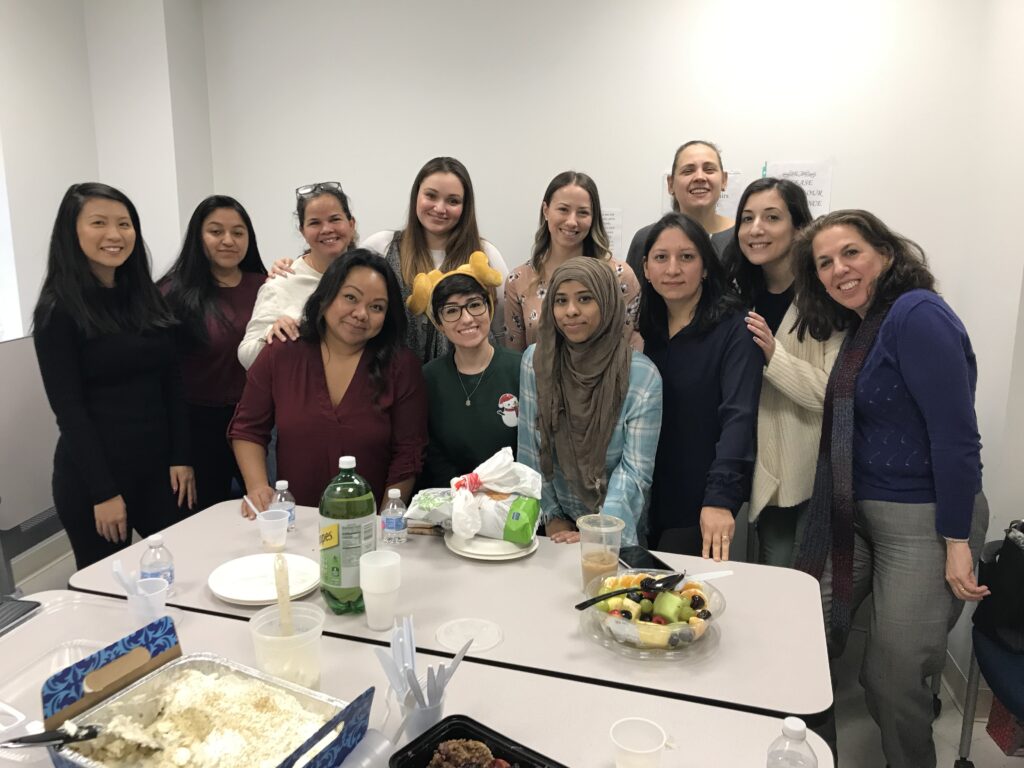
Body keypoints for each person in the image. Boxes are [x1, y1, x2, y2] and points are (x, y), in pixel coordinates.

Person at [791, 210, 988, 768]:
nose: (838, 270)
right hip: (859, 517)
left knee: (891, 676)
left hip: (924, 522)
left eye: (850, 253)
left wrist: (955, 540)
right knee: (801, 624)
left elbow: (955, 437)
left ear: (888, 253)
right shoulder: (864, 327)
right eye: (825, 262)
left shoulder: (916, 313)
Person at [33, 183, 194, 569]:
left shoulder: (144, 296)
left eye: (124, 223)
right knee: (108, 593)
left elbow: (172, 381)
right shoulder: (59, 310)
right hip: (96, 478)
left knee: (185, 571)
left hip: (160, 470)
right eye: (99, 223)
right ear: (72, 232)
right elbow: (69, 410)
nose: (114, 235)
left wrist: (181, 456)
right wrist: (102, 492)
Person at [229, 249, 428, 511]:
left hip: (368, 529)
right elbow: (247, 428)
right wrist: (257, 488)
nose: (361, 313)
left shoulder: (402, 366)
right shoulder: (282, 351)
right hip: (295, 522)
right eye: (350, 297)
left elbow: (408, 454)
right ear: (326, 296)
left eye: (376, 307)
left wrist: (384, 520)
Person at [725, 178, 845, 567]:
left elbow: (834, 391)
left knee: (807, 585)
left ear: (798, 228)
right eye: (747, 218)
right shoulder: (737, 294)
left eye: (771, 217)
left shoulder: (828, 294)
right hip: (758, 465)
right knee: (769, 575)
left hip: (813, 471)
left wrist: (775, 356)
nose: (756, 229)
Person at [639, 212, 762, 561]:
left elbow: (739, 417)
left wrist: (719, 500)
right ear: (646, 269)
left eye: (687, 257)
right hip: (646, 498)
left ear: (706, 267)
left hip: (701, 501)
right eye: (661, 258)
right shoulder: (645, 332)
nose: (673, 269)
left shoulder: (736, 329)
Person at [517, 257, 662, 546]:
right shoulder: (536, 361)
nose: (571, 311)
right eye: (560, 300)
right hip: (555, 526)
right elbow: (531, 448)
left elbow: (633, 473)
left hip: (617, 526)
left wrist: (598, 532)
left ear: (607, 302)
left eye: (585, 298)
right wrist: (552, 516)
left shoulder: (641, 376)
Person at [159, 195, 266, 511]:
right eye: (216, 231)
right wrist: (178, 454)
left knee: (267, 514)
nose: (228, 240)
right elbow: (163, 378)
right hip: (197, 427)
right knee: (204, 518)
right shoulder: (170, 294)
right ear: (198, 236)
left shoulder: (268, 286)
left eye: (238, 232)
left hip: (258, 422)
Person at [362, 157, 508, 362]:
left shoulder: (486, 254)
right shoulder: (381, 247)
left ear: (465, 207)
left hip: (467, 383)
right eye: (431, 195)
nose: (440, 208)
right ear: (416, 196)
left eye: (453, 200)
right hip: (395, 382)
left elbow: (501, 328)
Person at [408, 252, 521, 487]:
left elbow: (534, 445)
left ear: (489, 308)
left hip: (513, 499)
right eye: (451, 311)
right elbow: (430, 451)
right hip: (451, 499)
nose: (467, 318)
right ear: (439, 323)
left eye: (475, 305)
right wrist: (463, 489)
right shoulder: (429, 378)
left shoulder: (520, 369)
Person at [504, 171, 641, 351]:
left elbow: (628, 350)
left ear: (593, 218)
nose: (572, 221)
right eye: (563, 209)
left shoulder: (619, 276)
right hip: (539, 378)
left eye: (583, 213)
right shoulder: (519, 280)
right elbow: (515, 357)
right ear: (546, 210)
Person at [237, 182, 357, 369]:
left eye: (334, 219)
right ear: (302, 231)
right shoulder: (282, 283)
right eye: (315, 222)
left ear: (351, 224)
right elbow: (246, 356)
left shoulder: (368, 276)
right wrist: (271, 334)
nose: (326, 229)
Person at [625, 140, 734, 279]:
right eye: (688, 171)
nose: (700, 177)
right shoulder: (645, 238)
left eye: (709, 169)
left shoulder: (742, 238)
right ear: (671, 184)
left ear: (724, 180)